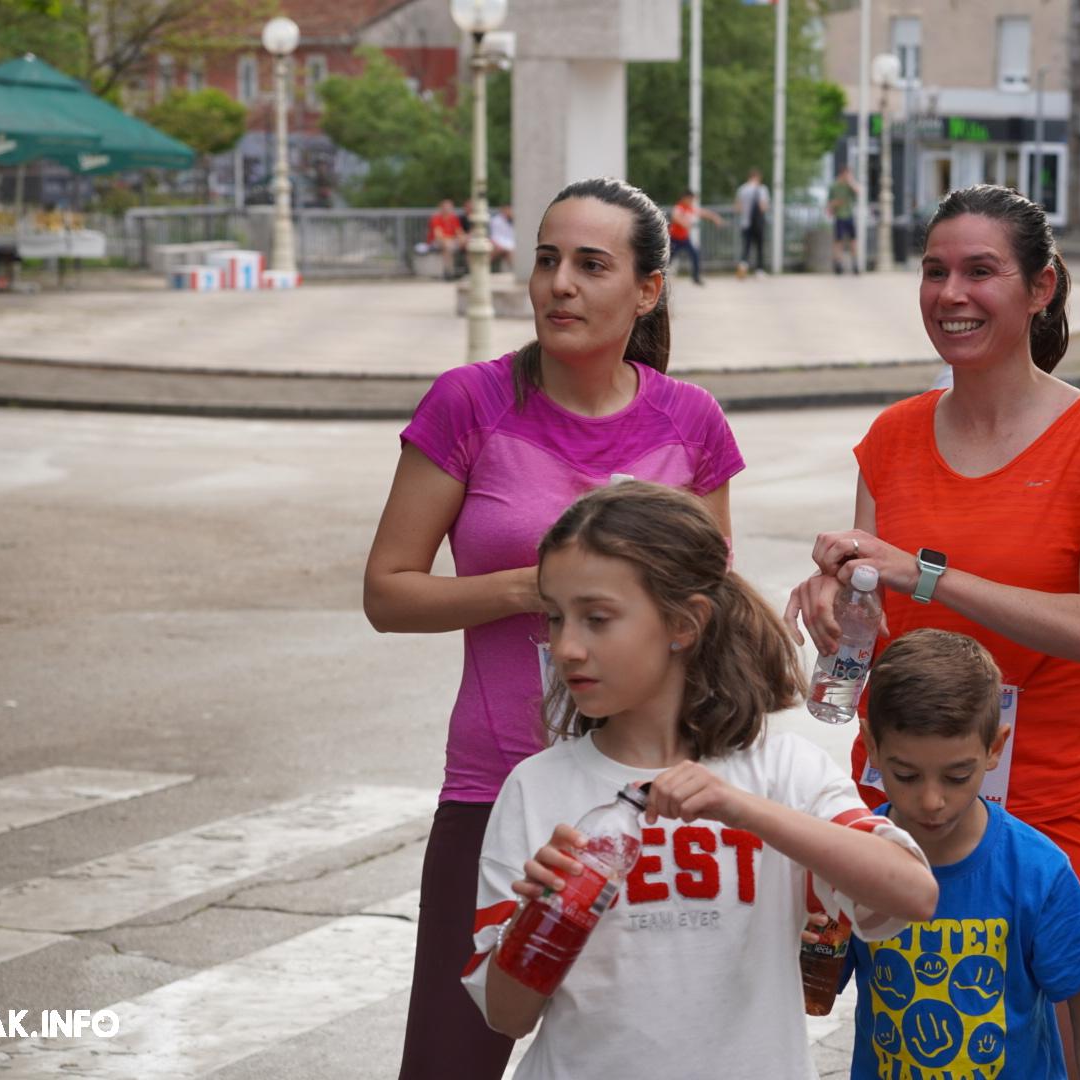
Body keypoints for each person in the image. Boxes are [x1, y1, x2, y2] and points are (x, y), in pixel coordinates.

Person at [364, 177, 748, 1080]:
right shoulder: (470, 403)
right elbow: (389, 592)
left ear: (647, 290)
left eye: (589, 264)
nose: (559, 285)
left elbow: (709, 617)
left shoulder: (690, 421)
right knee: (451, 1063)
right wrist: (535, 590)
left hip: (653, 802)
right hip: (496, 792)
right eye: (545, 260)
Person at [785, 183, 1080, 1080]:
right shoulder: (893, 438)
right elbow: (879, 629)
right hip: (911, 801)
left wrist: (925, 570)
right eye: (934, 271)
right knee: (928, 1056)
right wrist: (842, 612)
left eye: (980, 271)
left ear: (1041, 287)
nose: (951, 293)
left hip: (1058, 799)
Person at [463, 481, 939, 1079]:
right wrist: (543, 918)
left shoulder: (781, 771)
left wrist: (743, 810)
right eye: (556, 618)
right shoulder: (536, 787)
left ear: (684, 624)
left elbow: (913, 893)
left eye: (597, 618)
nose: (566, 647)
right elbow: (507, 1015)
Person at [840, 628, 1080, 1080]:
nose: (932, 801)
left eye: (956, 776)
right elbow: (814, 987)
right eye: (907, 775)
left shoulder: (1035, 869)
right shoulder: (853, 856)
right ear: (873, 747)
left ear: (994, 749)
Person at [667, 189, 723, 285]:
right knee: (668, 259)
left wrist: (715, 217)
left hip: (684, 239)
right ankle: (660, 276)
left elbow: (703, 213)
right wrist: (684, 223)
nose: (691, 202)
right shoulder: (679, 207)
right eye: (690, 199)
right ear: (685, 198)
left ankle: (696, 277)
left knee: (695, 254)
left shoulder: (690, 208)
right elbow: (675, 217)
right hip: (674, 238)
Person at [734, 167, 771, 277]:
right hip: (758, 224)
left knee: (746, 246)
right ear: (758, 177)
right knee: (759, 247)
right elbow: (763, 207)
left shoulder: (741, 189)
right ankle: (759, 270)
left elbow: (738, 208)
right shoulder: (762, 189)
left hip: (745, 222)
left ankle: (743, 266)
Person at [827, 165, 861, 274]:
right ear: (842, 174)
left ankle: (855, 264)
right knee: (838, 242)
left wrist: (850, 182)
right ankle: (838, 264)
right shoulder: (834, 186)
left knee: (853, 241)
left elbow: (858, 192)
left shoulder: (850, 185)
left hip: (849, 216)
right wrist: (835, 204)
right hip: (839, 216)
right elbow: (829, 203)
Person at [427, 197, 465, 279]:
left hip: (451, 241)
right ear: (441, 208)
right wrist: (454, 239)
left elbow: (459, 232)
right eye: (446, 207)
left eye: (449, 207)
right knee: (447, 245)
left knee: (467, 243)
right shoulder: (436, 219)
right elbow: (438, 236)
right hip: (436, 242)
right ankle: (449, 271)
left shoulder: (454, 218)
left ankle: (467, 270)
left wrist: (462, 239)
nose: (448, 209)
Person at [488, 204, 515, 271]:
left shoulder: (513, 221)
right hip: (499, 245)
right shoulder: (496, 221)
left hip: (509, 245)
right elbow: (494, 237)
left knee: (510, 253)